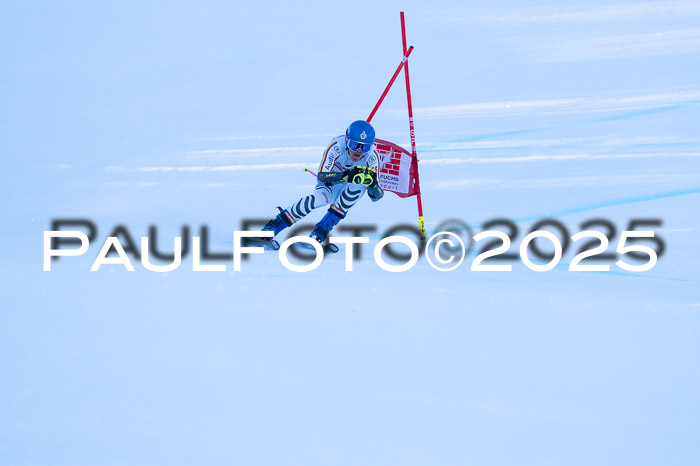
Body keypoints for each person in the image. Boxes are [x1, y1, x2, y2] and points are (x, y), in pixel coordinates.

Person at [254, 120, 384, 250]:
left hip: (349, 188)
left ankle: (319, 234)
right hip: (330, 183)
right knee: (319, 199)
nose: (359, 151)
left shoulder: (372, 156)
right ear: (346, 140)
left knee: (358, 186)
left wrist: (373, 184)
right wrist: (347, 175)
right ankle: (270, 229)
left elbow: (376, 197)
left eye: (365, 147)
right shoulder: (336, 146)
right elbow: (322, 177)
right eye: (354, 144)